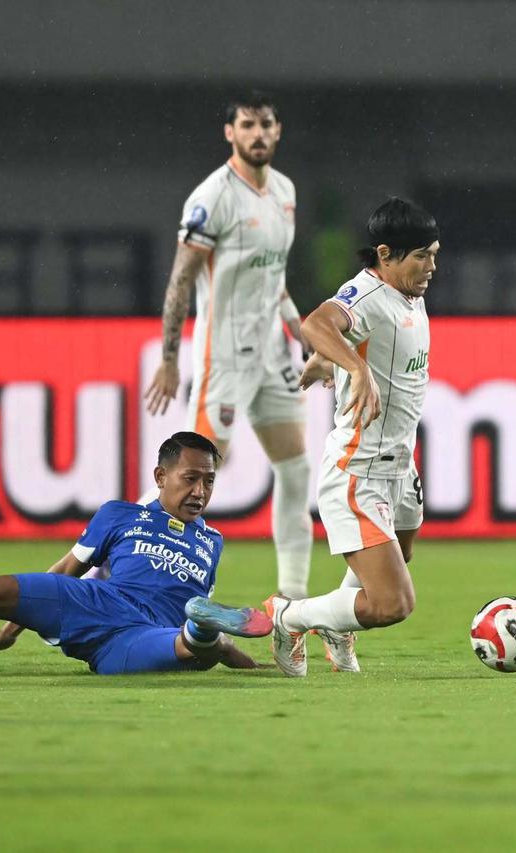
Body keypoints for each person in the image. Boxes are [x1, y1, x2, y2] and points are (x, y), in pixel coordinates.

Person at [143, 91, 313, 602]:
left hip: (271, 354)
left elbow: (274, 275)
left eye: (266, 124)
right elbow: (180, 281)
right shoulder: (212, 197)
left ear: (278, 130)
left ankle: (291, 599)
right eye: (247, 125)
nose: (257, 133)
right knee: (188, 475)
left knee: (296, 467)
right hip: (224, 357)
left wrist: (298, 331)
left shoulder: (284, 190)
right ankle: (98, 571)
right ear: (230, 133)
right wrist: (170, 357)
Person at [264, 198, 440, 676]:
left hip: (400, 467)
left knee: (399, 554)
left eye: (434, 254)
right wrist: (353, 367)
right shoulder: (366, 292)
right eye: (420, 256)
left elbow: (359, 337)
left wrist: (334, 359)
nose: (431, 267)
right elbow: (316, 323)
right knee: (391, 603)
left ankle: (339, 623)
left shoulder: (407, 294)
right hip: (358, 470)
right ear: (385, 254)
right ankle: (290, 615)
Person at [0, 432, 273, 674]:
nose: (200, 492)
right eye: (190, 479)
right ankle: (207, 631)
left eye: (209, 481)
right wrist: (7, 632)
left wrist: (251, 665)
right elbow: (69, 567)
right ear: (161, 476)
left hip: (138, 634)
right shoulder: (119, 514)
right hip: (93, 602)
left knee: (190, 648)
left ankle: (206, 628)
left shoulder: (211, 542)